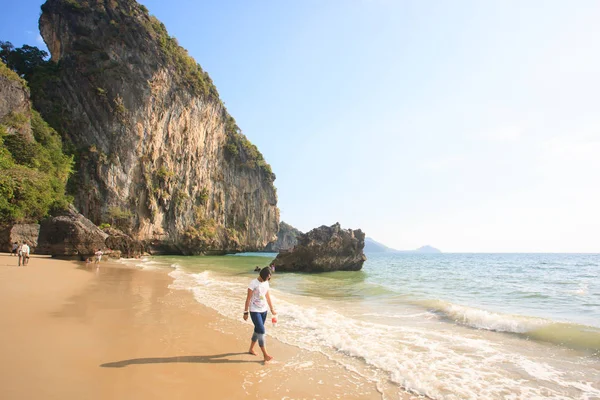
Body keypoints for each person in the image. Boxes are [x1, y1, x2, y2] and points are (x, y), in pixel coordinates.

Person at [243, 267, 277, 363]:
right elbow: (248, 298)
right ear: (262, 276)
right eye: (267, 277)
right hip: (254, 310)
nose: (268, 279)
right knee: (261, 330)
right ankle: (265, 355)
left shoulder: (266, 283)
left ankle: (251, 349)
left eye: (269, 278)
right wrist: (245, 312)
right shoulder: (253, 283)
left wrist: (272, 309)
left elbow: (268, 297)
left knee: (257, 330)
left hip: (264, 310)